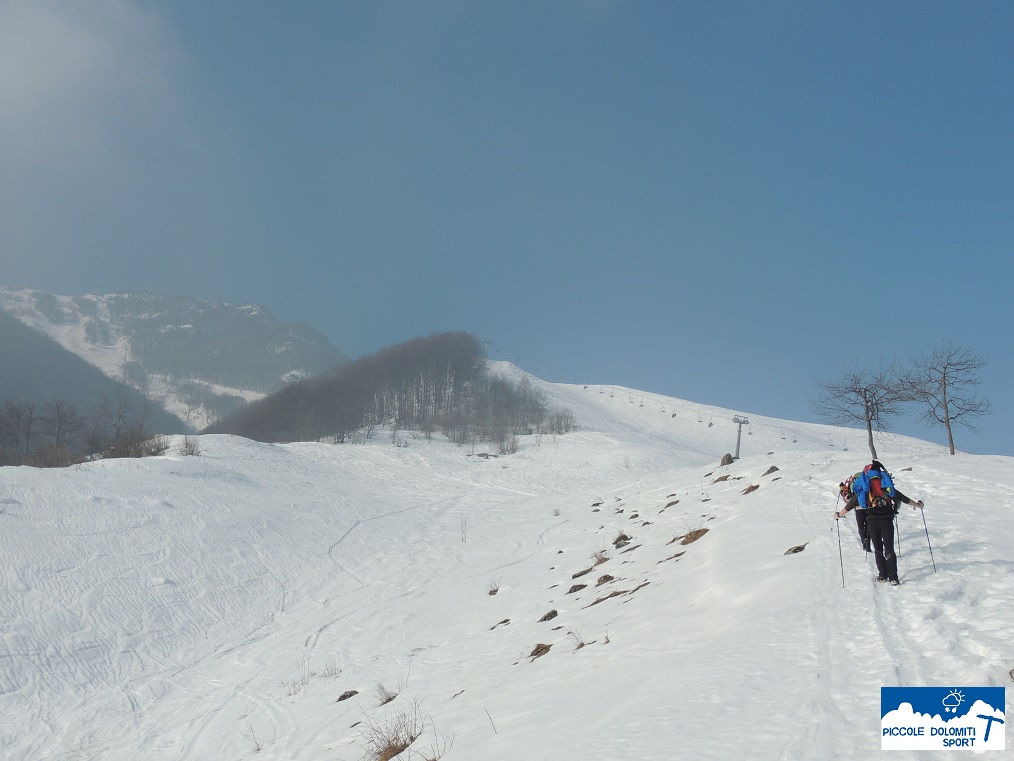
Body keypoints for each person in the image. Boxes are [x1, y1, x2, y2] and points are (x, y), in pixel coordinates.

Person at [835, 460, 924, 586]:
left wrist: (838, 514)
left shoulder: (864, 488)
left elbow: (850, 505)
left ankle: (882, 575)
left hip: (872, 520)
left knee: (878, 549)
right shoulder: (885, 485)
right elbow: (903, 498)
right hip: (887, 519)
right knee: (889, 549)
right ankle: (893, 578)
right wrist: (918, 505)